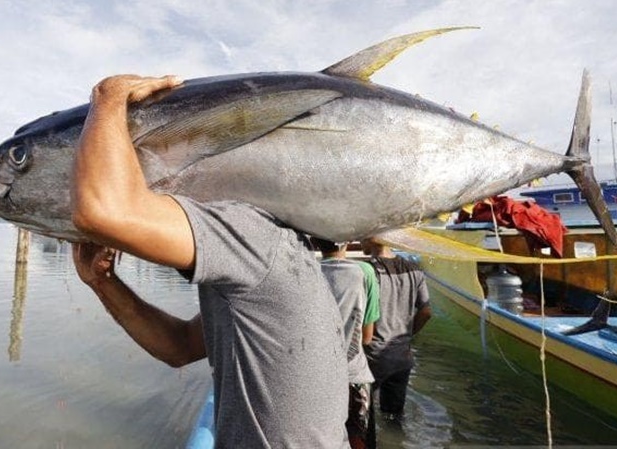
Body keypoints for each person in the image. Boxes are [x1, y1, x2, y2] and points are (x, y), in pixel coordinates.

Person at [70, 74, 349, 447]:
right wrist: (104, 283)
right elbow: (179, 345)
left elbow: (102, 210)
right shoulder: (270, 262)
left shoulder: (257, 237)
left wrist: (107, 98)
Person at [359, 237, 431, 446]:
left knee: (364, 420)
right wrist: (408, 336)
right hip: (402, 357)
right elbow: (426, 312)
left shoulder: (366, 271)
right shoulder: (413, 269)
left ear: (372, 239)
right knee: (394, 419)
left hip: (374, 357)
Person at [311, 238, 380, 449]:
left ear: (314, 241)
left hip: (317, 379)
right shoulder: (364, 272)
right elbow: (367, 337)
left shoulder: (307, 271)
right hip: (354, 378)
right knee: (358, 440)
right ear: (348, 241)